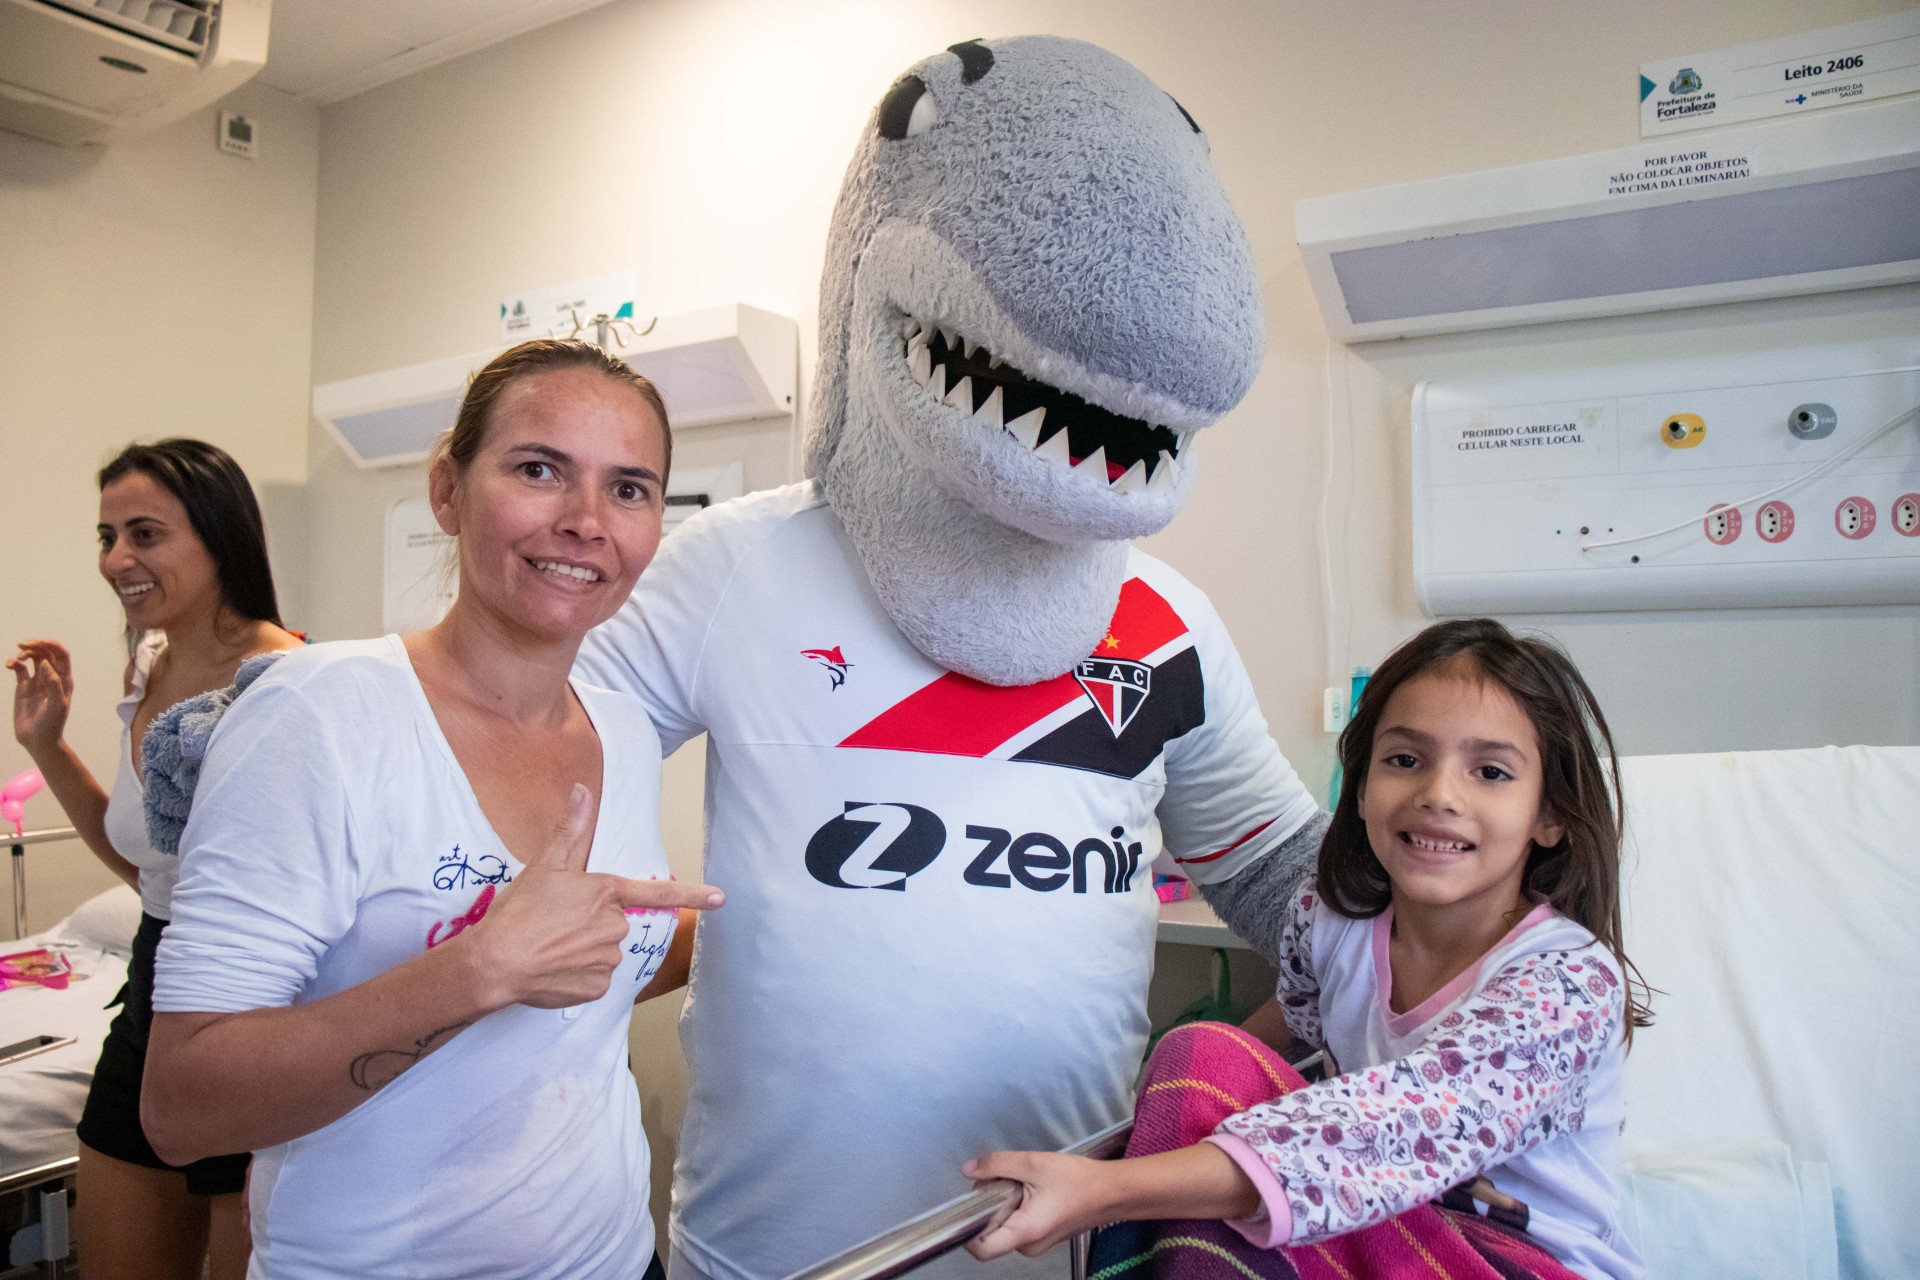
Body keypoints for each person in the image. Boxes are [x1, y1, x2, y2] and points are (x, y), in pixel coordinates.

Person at [139, 339, 723, 1280]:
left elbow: (585, 978)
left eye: (629, 488)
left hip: (612, 1260)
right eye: (539, 470)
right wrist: (482, 967)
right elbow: (181, 1109)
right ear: (448, 490)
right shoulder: (319, 712)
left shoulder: (619, 727)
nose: (584, 521)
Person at [965, 619, 1651, 1280]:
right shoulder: (1331, 923)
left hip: (1511, 1261)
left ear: (1552, 814)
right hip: (1377, 1231)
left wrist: (1111, 1189)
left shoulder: (1567, 985)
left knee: (1219, 1121)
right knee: (1200, 1055)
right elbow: (1285, 1033)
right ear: (1359, 790)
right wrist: (1155, 1121)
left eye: (1491, 773)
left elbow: (1396, 1128)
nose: (1438, 795)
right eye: (1404, 760)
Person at [9, 438, 305, 1280]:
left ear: (220, 537)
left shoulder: (284, 681)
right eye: (107, 537)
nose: (117, 560)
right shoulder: (152, 662)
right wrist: (45, 742)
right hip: (152, 981)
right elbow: (151, 872)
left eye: (145, 533)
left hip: (247, 1003)